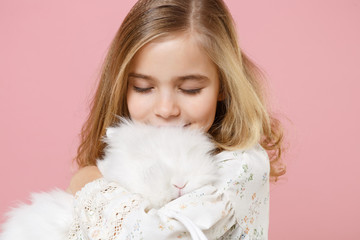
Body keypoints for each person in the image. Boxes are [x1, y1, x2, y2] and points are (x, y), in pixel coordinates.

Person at [67, 0, 286, 239]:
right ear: (121, 88)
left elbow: (154, 234)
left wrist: (89, 183)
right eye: (143, 87)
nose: (166, 109)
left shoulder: (242, 166)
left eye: (190, 89)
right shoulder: (129, 153)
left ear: (224, 85)